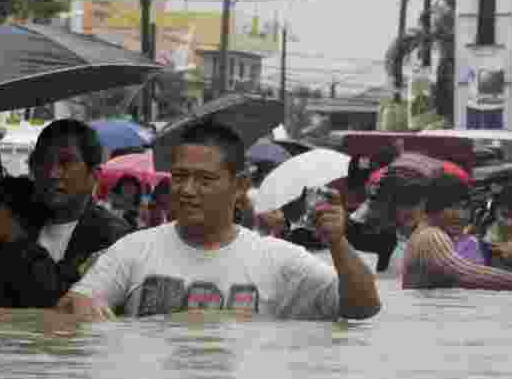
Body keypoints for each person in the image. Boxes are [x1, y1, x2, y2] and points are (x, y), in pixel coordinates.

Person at [57, 119, 381, 321]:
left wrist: (338, 243)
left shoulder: (277, 260)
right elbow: (74, 304)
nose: (187, 190)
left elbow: (363, 308)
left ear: (239, 186)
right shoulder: (133, 251)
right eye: (180, 176)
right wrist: (82, 308)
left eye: (204, 180)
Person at [0, 119, 132, 309]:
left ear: (94, 175)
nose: (53, 173)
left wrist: (17, 240)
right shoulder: (19, 216)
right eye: (44, 161)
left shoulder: (112, 237)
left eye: (66, 162)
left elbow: (62, 301)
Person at [402, 172, 512, 290]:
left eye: (464, 207)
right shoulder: (431, 236)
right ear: (432, 207)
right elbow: (464, 273)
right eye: (451, 207)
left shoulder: (425, 233)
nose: (460, 215)